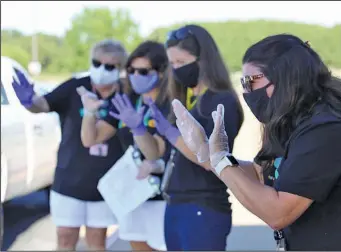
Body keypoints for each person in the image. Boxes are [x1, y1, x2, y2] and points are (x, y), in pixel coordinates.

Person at [172, 34, 341, 251]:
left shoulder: (328, 129)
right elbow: (261, 173)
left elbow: (278, 212)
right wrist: (211, 153)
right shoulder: (292, 122)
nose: (246, 91)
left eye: (250, 81)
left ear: (285, 77)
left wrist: (219, 161)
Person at [110, 25, 244, 250]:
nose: (176, 69)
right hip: (176, 203)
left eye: (181, 63)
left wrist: (172, 134)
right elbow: (157, 151)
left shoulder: (220, 101)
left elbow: (211, 161)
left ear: (203, 60)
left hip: (202, 205)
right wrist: (139, 130)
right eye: (172, 64)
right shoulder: (187, 98)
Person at [11, 39, 129, 251]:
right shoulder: (76, 87)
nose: (102, 69)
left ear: (120, 69)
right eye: (96, 62)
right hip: (69, 180)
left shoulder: (125, 95)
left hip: (105, 184)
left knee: (96, 240)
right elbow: (43, 105)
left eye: (110, 66)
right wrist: (30, 101)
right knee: (65, 238)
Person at [78, 40, 171, 251]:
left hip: (162, 197)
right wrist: (90, 113)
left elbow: (155, 153)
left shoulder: (169, 103)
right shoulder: (127, 99)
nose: (135, 76)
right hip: (134, 194)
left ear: (162, 72)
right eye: (131, 70)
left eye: (143, 71)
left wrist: (138, 129)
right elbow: (90, 139)